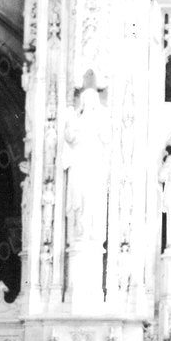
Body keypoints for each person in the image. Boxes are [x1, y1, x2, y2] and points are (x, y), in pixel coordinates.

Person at [61, 80, 108, 244]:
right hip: (79, 162)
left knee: (92, 198)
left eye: (91, 100)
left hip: (93, 162)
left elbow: (107, 139)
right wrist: (68, 123)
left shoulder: (99, 120)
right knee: (78, 197)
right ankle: (79, 230)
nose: (88, 103)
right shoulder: (77, 119)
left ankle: (90, 230)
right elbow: (69, 138)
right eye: (85, 100)